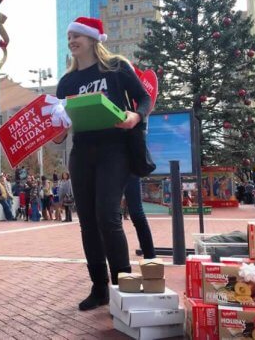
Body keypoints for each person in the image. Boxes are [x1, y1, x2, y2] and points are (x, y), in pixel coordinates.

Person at [52, 17, 151, 311]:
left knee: (107, 216)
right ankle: (98, 288)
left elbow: (143, 98)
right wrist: (56, 134)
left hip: (115, 149)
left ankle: (123, 287)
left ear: (92, 39)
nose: (71, 41)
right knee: (88, 223)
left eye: (76, 36)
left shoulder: (117, 67)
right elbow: (60, 125)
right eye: (68, 36)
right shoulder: (66, 82)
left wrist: (135, 116)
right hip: (82, 152)